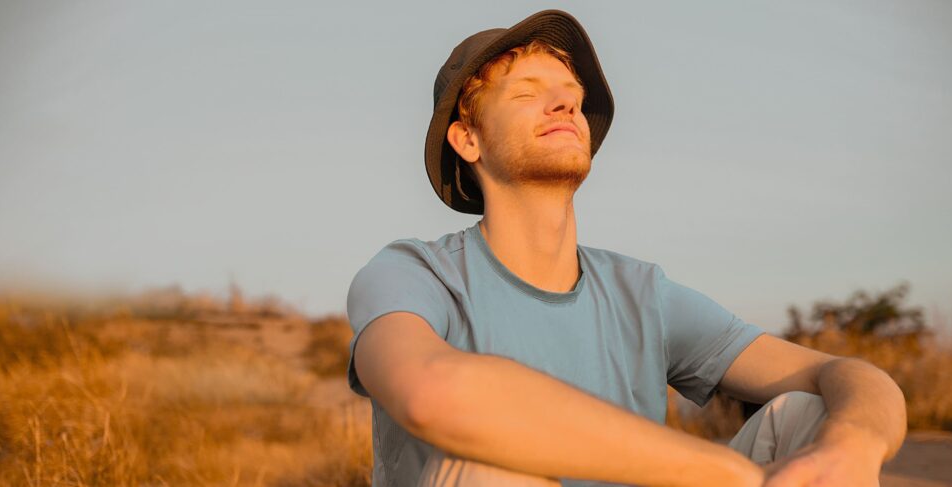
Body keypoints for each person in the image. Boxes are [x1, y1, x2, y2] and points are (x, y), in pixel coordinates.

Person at [346, 9, 906, 487]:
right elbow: (434, 393)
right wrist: (724, 473)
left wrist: (852, 445)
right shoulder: (413, 273)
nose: (565, 106)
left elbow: (850, 375)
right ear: (467, 139)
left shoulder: (642, 294)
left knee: (808, 416)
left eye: (572, 97)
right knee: (491, 469)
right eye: (528, 93)